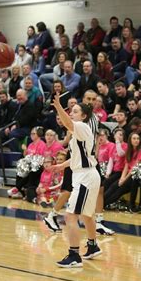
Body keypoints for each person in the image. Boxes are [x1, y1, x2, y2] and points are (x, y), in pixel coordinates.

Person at [51, 93, 102, 268]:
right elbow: (78, 157)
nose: (71, 113)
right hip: (87, 174)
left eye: (74, 111)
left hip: (86, 177)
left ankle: (74, 255)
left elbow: (67, 123)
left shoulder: (82, 126)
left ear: (84, 116)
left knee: (70, 216)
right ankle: (93, 246)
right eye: (70, 111)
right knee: (87, 215)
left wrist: (58, 106)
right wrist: (62, 166)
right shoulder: (79, 132)